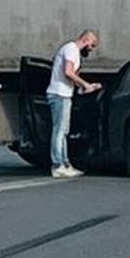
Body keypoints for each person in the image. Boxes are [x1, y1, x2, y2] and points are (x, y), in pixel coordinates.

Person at [46, 29, 101, 178]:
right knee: (59, 131)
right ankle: (58, 165)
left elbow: (71, 78)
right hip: (59, 94)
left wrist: (86, 87)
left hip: (63, 94)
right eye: (92, 45)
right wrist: (85, 84)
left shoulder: (72, 51)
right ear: (86, 40)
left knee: (63, 131)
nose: (91, 49)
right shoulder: (71, 49)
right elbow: (68, 72)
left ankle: (65, 164)